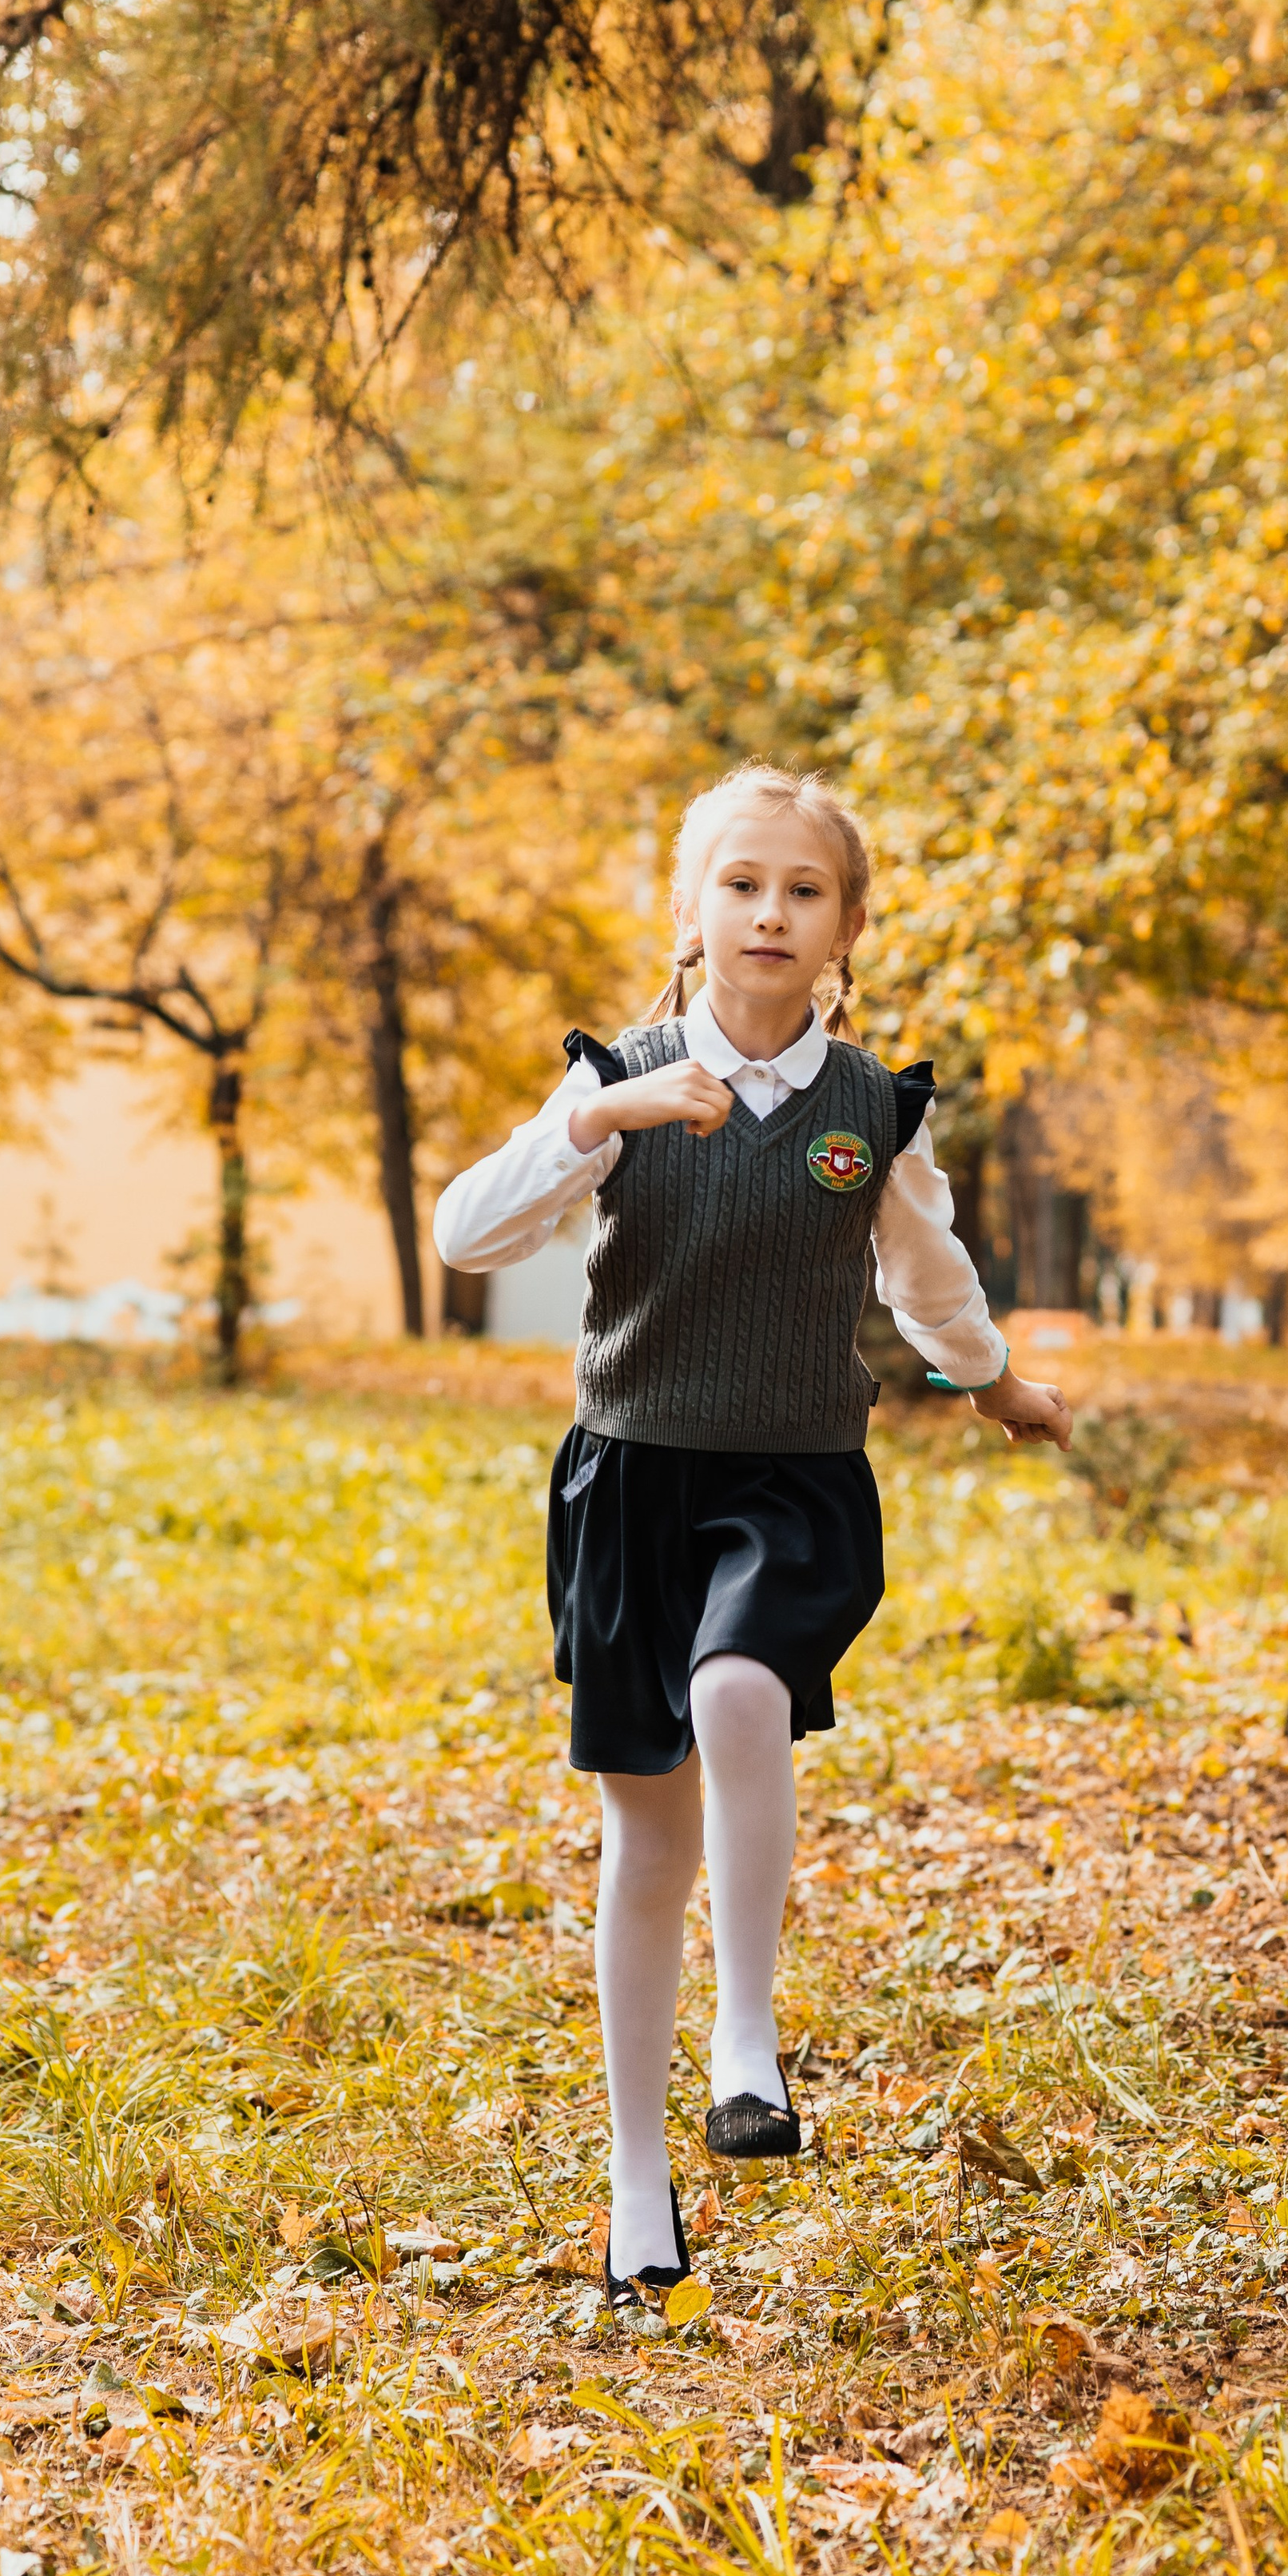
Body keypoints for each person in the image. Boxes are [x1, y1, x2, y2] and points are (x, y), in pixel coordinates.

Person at [433, 762, 1072, 2319]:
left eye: (801, 889)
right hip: (626, 1489)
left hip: (790, 1485)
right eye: (740, 884)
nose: (768, 911)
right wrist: (601, 1113)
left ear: (844, 928)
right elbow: (466, 1232)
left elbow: (925, 1273)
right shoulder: (624, 1081)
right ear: (691, 910)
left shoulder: (870, 1106)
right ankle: (638, 2181)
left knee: (738, 1692)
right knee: (643, 1842)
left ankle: (747, 2039)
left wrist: (993, 1385)